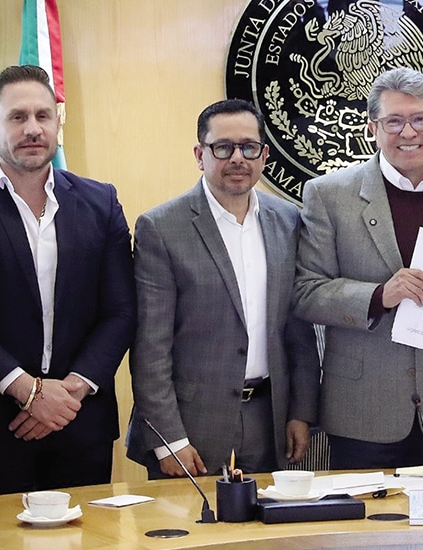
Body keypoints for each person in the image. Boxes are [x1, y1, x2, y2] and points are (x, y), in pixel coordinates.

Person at [0, 65, 136, 496]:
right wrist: (29, 391)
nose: (32, 128)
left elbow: (121, 310)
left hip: (80, 421)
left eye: (43, 115)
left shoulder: (101, 201)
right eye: (17, 117)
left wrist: (67, 393)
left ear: (58, 121)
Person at [294, 67, 423, 470]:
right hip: (362, 410)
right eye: (394, 121)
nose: (408, 132)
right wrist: (379, 295)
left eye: (419, 119)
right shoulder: (328, 195)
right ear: (373, 128)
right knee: (364, 529)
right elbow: (306, 292)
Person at [125, 99, 320, 479]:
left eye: (249, 147)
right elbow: (150, 348)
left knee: (269, 537)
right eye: (222, 147)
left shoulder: (288, 220)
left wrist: (301, 412)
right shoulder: (161, 228)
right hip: (191, 428)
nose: (237, 158)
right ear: (200, 155)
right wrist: (169, 439)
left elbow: (299, 328)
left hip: (271, 419)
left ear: (263, 155)